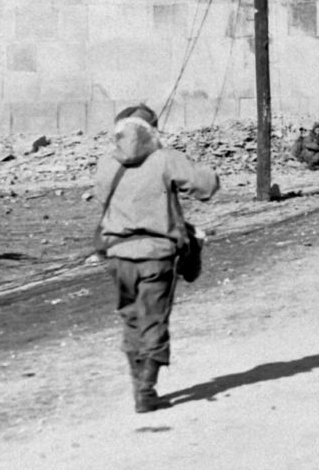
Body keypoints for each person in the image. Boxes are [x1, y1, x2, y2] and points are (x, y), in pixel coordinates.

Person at [93, 103, 219, 414]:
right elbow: (206, 187)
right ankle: (146, 391)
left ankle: (139, 384)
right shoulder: (164, 158)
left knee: (131, 317)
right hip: (156, 255)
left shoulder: (107, 162)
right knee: (154, 318)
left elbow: (99, 198)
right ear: (153, 130)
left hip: (118, 255)